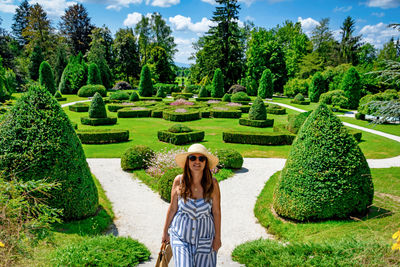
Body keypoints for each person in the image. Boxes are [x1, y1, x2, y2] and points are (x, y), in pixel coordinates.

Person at [161, 143, 221, 267]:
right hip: (181, 236)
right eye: (192, 158)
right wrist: (165, 232)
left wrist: (217, 238)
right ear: (188, 162)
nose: (197, 161)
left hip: (205, 238)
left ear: (206, 163)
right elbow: (172, 209)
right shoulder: (179, 181)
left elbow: (216, 212)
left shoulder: (213, 184)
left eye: (201, 158)